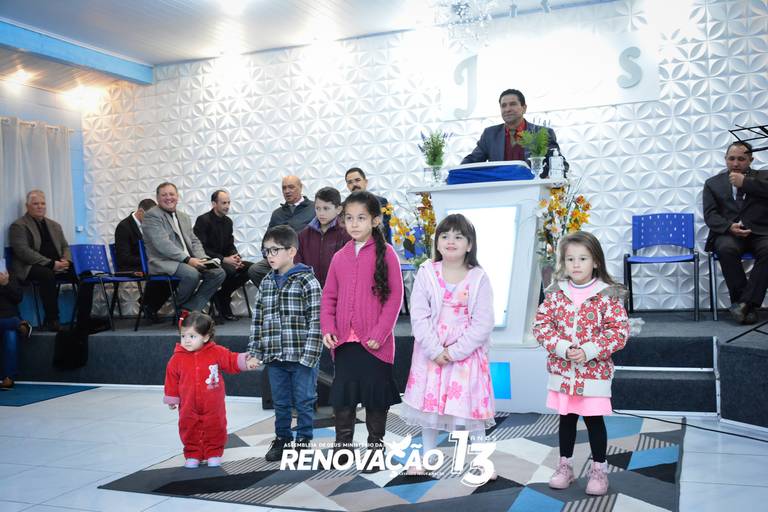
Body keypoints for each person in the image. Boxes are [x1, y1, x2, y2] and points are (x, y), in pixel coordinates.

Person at [532, 231, 629, 496]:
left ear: (595, 261)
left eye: (583, 258)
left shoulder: (607, 295)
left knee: (594, 421)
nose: (576, 264)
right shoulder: (555, 294)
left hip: (593, 374)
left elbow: (618, 332)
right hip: (563, 373)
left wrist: (589, 351)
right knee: (566, 420)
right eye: (570, 259)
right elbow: (541, 326)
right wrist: (563, 348)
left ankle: (599, 470)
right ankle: (565, 466)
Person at [400, 214, 496, 476]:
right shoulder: (427, 273)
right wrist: (434, 350)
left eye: (458, 236)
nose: (450, 241)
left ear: (469, 244)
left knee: (471, 407)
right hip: (431, 351)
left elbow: (483, 322)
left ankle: (481, 460)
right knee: (429, 407)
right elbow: (419, 315)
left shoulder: (478, 277)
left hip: (466, 354)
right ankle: (428, 457)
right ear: (437, 242)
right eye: (445, 236)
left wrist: (454, 352)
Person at [321, 191, 403, 473]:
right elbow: (329, 297)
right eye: (349, 218)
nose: (354, 224)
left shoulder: (387, 253)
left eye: (361, 218)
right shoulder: (339, 257)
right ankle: (343, 447)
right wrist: (328, 328)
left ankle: (375, 448)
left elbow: (394, 297)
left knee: (375, 398)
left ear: (375, 220)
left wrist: (380, 333)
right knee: (343, 398)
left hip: (375, 343)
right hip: (344, 342)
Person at [247, 225, 323, 462]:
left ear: (291, 251)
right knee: (280, 403)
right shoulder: (266, 283)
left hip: (302, 357)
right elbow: (258, 320)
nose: (269, 255)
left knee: (304, 401)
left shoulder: (307, 281)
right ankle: (282, 439)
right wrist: (255, 351)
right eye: (266, 251)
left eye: (275, 250)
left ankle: (303, 440)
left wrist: (309, 357)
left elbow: (317, 321)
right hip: (275, 357)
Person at [164, 311, 254, 468]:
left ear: (205, 337)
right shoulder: (177, 358)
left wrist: (246, 362)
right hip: (188, 403)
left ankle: (213, 452)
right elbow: (171, 379)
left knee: (215, 425)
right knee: (188, 426)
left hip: (213, 402)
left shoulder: (216, 352)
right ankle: (193, 453)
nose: (186, 340)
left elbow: (231, 360)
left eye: (192, 336)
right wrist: (172, 398)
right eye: (183, 336)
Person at [9, 190, 95, 331]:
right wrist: (51, 264)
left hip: (58, 264)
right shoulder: (19, 225)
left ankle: (84, 319)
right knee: (47, 274)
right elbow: (23, 251)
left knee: (86, 274)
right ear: (27, 206)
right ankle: (52, 319)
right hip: (31, 266)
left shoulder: (54, 225)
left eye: (43, 203)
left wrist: (66, 261)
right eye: (36, 204)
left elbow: (65, 246)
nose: (40, 206)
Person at [703, 141, 768, 324]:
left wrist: (745, 183)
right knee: (726, 249)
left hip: (761, 232)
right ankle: (746, 306)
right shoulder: (712, 183)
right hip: (729, 233)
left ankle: (744, 304)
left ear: (751, 160)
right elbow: (710, 215)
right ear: (725, 159)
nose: (736, 163)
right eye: (731, 158)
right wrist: (729, 226)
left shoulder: (764, 177)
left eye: (741, 159)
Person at [142, 182, 226, 315]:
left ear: (177, 196)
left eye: (171, 194)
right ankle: (181, 308)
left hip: (188, 260)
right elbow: (162, 244)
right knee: (191, 274)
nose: (168, 197)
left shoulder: (183, 216)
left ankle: (188, 308)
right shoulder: (152, 216)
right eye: (164, 195)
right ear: (157, 198)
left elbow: (194, 241)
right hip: (164, 261)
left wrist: (202, 258)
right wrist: (188, 260)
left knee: (218, 272)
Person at [461, 88, 569, 178]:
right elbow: (472, 161)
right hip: (499, 191)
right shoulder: (490, 134)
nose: (507, 109)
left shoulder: (542, 133)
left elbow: (560, 164)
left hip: (533, 191)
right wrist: (456, 174)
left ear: (524, 108)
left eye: (512, 104)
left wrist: (550, 179)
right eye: (503, 105)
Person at [194, 190, 260, 321]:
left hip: (224, 260)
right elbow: (201, 248)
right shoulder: (203, 220)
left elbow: (230, 244)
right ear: (214, 204)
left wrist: (235, 256)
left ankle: (223, 294)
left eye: (228, 203)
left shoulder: (228, 221)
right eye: (224, 203)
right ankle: (223, 300)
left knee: (251, 268)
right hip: (207, 260)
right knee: (230, 270)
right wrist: (224, 259)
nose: (227, 206)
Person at [249, 175, 317, 287]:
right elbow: (266, 240)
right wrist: (269, 255)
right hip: (280, 257)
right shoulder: (277, 214)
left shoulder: (314, 209)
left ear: (300, 187)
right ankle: (278, 292)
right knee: (255, 270)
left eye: (291, 187)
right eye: (284, 188)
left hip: (303, 257)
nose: (287, 191)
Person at [114, 198, 171, 323]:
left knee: (174, 271)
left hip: (148, 263)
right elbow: (123, 258)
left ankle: (148, 304)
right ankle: (149, 305)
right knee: (161, 271)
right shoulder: (124, 227)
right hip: (130, 265)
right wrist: (149, 260)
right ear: (140, 212)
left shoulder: (149, 225)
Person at [295, 187, 351, 287]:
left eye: (326, 208)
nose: (321, 213)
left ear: (338, 209)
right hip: (310, 289)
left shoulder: (347, 234)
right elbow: (298, 264)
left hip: (339, 289)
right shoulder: (303, 235)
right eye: (317, 208)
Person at [1, 270, 32, 390]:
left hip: (8, 317)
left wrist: (6, 284)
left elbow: (18, 297)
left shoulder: (8, 275)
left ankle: (8, 378)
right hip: (11, 320)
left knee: (11, 334)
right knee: (13, 327)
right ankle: (18, 324)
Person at [344, 167, 392, 243]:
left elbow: (382, 230)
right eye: (350, 182)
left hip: (379, 246)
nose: (354, 184)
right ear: (347, 186)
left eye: (357, 180)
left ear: (365, 182)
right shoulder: (344, 207)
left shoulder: (381, 202)